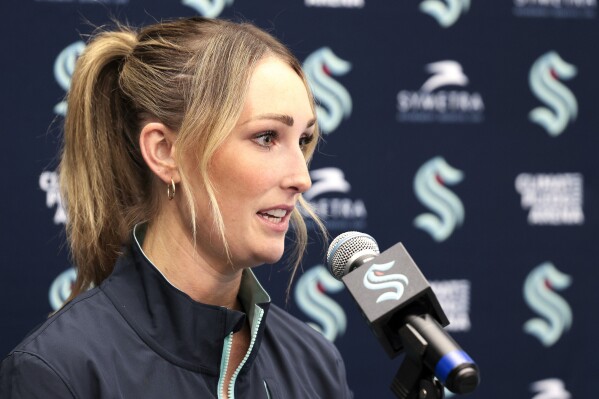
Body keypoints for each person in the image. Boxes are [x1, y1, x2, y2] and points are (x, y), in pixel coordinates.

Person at [0, 16, 353, 398]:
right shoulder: (59, 372)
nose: (302, 178)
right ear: (165, 152)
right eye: (267, 137)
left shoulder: (315, 365)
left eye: (302, 140)